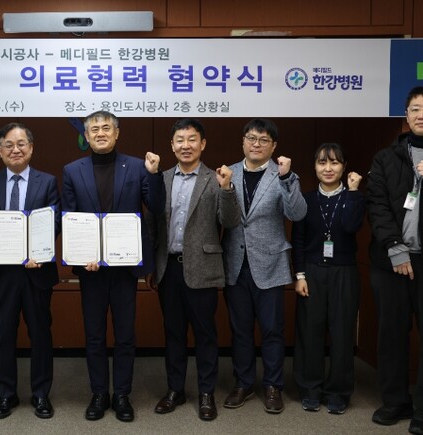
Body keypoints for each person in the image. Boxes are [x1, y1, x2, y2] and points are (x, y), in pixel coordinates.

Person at [62, 110, 164, 422]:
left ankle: (121, 394)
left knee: (125, 335)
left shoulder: (137, 166)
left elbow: (156, 207)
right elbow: (69, 218)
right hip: (91, 269)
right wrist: (81, 255)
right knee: (94, 335)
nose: (101, 133)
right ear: (86, 135)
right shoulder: (72, 170)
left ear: (117, 133)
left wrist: (154, 174)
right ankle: (98, 394)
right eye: (94, 129)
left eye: (106, 127)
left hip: (124, 268)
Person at [366, 86, 423, 435]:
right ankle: (395, 401)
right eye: (415, 108)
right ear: (406, 115)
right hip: (391, 263)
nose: (421, 114)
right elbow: (376, 205)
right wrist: (394, 245)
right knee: (391, 335)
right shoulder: (386, 157)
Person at [0, 123, 60, 419]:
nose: (15, 150)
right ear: (0, 151)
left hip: (36, 270)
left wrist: (39, 251)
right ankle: (6, 394)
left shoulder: (47, 181)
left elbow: (53, 220)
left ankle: (41, 394)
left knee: (40, 334)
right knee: (3, 335)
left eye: (21, 144)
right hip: (3, 272)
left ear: (31, 148)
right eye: (8, 145)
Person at [146, 118, 241, 421]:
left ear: (203, 144)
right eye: (180, 140)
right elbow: (152, 224)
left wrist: (227, 189)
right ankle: (175, 390)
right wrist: (151, 265)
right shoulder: (161, 179)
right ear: (172, 145)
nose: (185, 145)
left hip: (202, 268)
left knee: (205, 335)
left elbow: (230, 221)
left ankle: (206, 393)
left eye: (191, 139)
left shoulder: (217, 179)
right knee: (173, 333)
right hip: (169, 269)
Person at [221, 118, 307, 414]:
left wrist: (287, 178)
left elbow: (297, 213)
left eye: (263, 140)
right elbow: (224, 218)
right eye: (251, 138)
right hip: (235, 264)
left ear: (273, 145)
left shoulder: (282, 174)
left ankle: (273, 386)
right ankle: (243, 383)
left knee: (272, 330)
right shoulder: (228, 172)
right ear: (243, 141)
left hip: (270, 264)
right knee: (240, 330)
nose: (256, 144)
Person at [291, 143, 364, 415]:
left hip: (344, 272)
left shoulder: (353, 197)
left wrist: (353, 192)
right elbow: (298, 240)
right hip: (311, 272)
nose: (328, 168)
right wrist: (299, 275)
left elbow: (351, 226)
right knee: (310, 332)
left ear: (343, 167)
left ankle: (338, 392)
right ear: (315, 167)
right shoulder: (307, 200)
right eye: (322, 163)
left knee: (342, 333)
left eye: (334, 162)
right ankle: (310, 388)